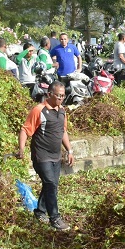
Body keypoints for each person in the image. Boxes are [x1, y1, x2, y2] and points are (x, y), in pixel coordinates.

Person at [17, 81, 74, 231]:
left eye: (63, 95)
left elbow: (63, 132)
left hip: (56, 156)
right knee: (50, 184)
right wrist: (21, 149)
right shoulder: (39, 110)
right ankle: (54, 218)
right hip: (41, 156)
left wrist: (69, 150)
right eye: (58, 95)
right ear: (49, 94)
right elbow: (25, 130)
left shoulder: (62, 111)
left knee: (51, 185)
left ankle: (40, 211)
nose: (61, 98)